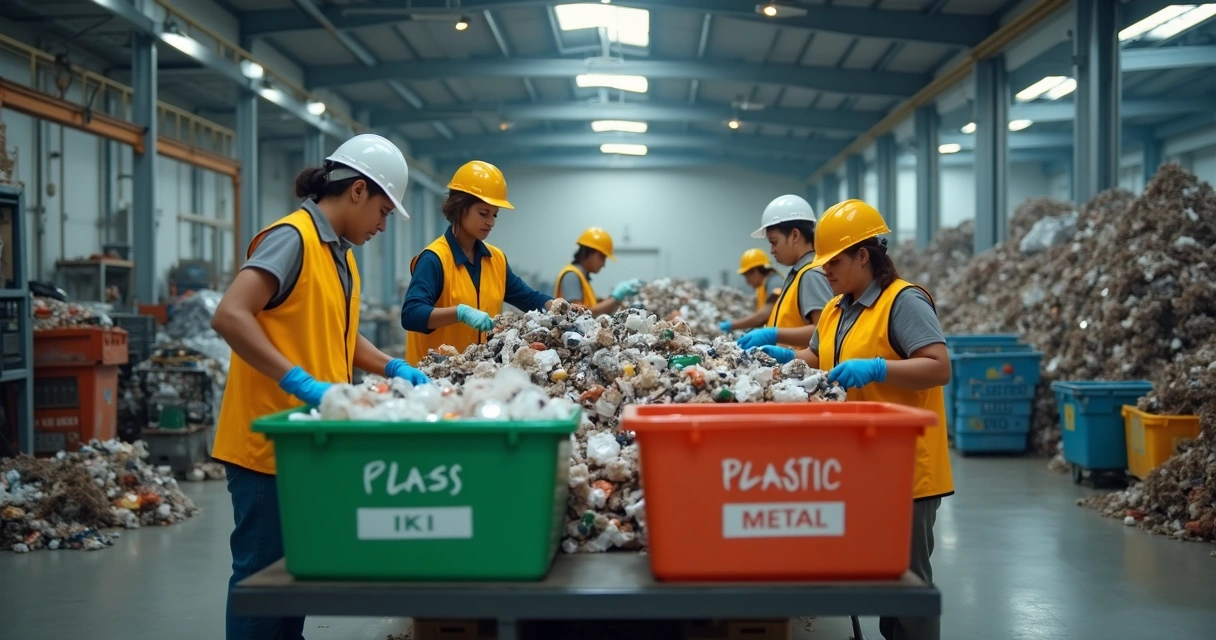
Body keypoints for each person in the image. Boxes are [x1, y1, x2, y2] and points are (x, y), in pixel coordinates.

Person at [210, 133, 430, 640]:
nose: (381, 224)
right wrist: (298, 381)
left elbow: (341, 337)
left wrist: (392, 367)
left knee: (296, 580)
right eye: (382, 210)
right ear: (356, 190)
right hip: (265, 446)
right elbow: (230, 315)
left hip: (307, 446)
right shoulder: (292, 239)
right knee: (261, 583)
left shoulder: (340, 256)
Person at [760, 199, 953, 640]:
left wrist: (881, 368)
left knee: (909, 581)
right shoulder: (837, 307)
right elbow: (818, 356)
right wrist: (783, 358)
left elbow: (939, 366)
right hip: (859, 464)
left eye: (835, 262)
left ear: (864, 255)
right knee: (880, 576)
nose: (825, 271)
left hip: (907, 469)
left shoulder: (903, 301)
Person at [401, 160, 557, 365]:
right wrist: (460, 313)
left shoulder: (495, 259)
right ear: (459, 208)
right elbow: (411, 314)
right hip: (435, 379)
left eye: (494, 214)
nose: (490, 221)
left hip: (478, 376)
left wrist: (560, 307)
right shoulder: (435, 259)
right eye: (483, 213)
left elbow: (528, 298)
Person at [734, 195, 834, 350]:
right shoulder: (799, 273)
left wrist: (773, 335)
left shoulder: (811, 274)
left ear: (795, 235)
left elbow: (823, 332)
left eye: (774, 242)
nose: (772, 250)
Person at [554, 227, 642, 316]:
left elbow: (589, 306)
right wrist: (616, 298)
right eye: (602, 257)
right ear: (588, 252)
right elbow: (578, 315)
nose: (603, 264)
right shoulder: (571, 276)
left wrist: (611, 299)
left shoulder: (581, 276)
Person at [718, 248, 784, 333]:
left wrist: (732, 325)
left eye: (746, 276)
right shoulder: (763, 286)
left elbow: (763, 315)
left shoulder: (775, 282)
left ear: (755, 271)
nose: (747, 281)